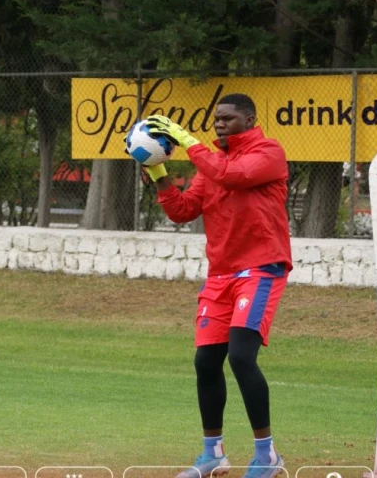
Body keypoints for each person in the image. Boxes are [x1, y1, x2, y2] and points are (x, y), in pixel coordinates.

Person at [129, 94, 292, 478]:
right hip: (220, 275)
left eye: (228, 118)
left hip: (260, 269)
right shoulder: (213, 165)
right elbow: (182, 210)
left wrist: (187, 140)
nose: (219, 123)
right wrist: (158, 171)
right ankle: (213, 454)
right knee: (205, 362)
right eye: (217, 118)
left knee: (241, 357)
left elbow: (233, 176)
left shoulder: (268, 153)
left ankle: (267, 456)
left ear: (249, 120)